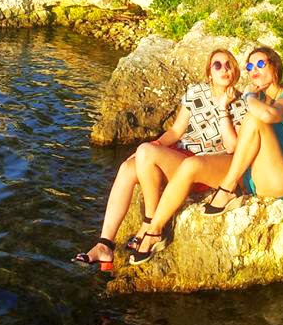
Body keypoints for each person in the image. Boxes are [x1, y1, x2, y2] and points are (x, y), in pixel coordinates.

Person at [72, 48, 247, 271]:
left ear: (235, 73)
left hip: (205, 166)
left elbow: (234, 147)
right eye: (217, 65)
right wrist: (153, 147)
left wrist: (224, 109)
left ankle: (151, 225)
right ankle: (104, 244)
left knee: (145, 152)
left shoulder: (240, 103)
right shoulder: (196, 93)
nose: (224, 69)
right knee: (128, 167)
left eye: (229, 65)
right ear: (209, 73)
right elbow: (175, 133)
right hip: (181, 157)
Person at [130, 46, 283, 265]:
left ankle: (226, 189)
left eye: (261, 64)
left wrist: (249, 96)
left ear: (275, 68)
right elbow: (241, 144)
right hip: (250, 177)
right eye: (250, 66)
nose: (254, 70)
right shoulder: (252, 100)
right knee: (190, 165)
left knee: (254, 118)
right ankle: (154, 230)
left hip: (280, 178)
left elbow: (268, 116)